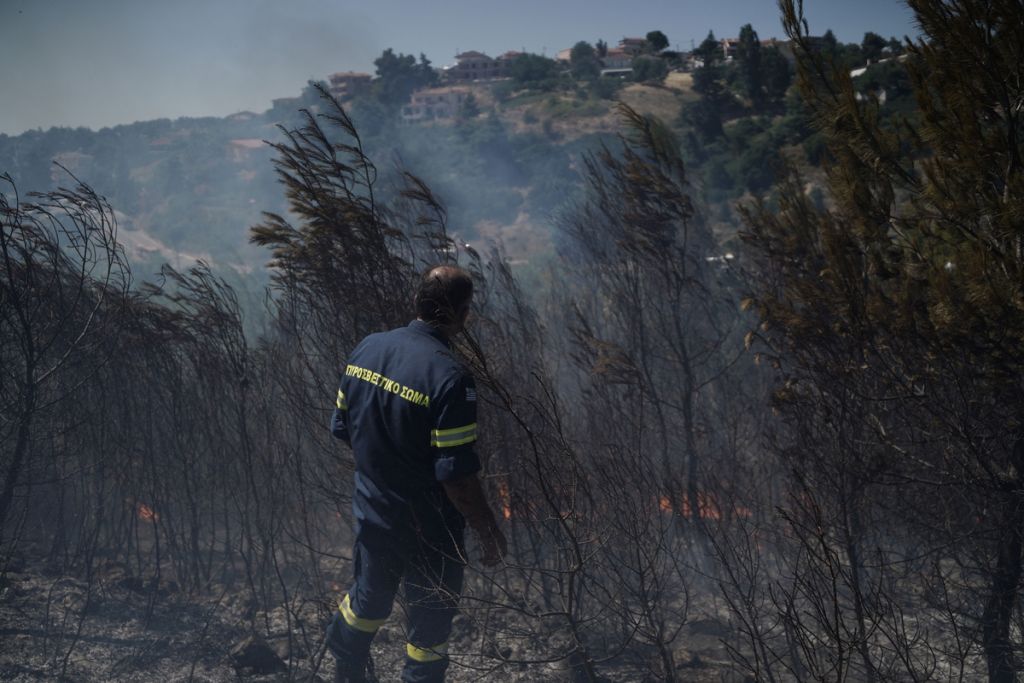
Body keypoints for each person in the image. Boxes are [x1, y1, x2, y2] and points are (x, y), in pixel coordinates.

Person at [326, 265, 508, 683]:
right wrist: (486, 528)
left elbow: (342, 427)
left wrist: (383, 469)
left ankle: (345, 667)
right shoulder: (451, 377)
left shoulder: (367, 348)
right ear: (464, 315)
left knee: (368, 602)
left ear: (417, 303)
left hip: (374, 514)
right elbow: (457, 476)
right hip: (431, 530)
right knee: (429, 630)